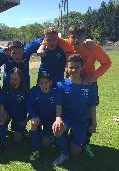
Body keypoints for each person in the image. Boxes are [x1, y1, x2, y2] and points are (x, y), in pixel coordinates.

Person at [38, 24, 112, 157]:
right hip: (71, 82)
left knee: (89, 111)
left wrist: (93, 76)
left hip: (89, 83)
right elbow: (48, 39)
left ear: (85, 37)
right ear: (69, 37)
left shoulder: (92, 46)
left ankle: (85, 142)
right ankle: (63, 136)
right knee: (66, 108)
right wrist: (42, 46)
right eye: (73, 37)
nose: (76, 40)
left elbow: (107, 62)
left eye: (80, 37)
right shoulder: (65, 43)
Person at [52, 54, 98, 165]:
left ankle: (73, 139)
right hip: (66, 118)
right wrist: (58, 119)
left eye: (77, 67)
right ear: (67, 68)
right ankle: (64, 153)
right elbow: (59, 104)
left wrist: (94, 122)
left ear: (82, 67)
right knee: (57, 129)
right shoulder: (61, 84)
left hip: (81, 120)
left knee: (76, 152)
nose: (73, 70)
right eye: (71, 67)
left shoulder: (90, 85)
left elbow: (92, 105)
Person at [0, 67, 29, 152]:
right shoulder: (6, 88)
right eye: (11, 79)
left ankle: (18, 130)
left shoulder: (25, 92)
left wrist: (25, 120)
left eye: (16, 79)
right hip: (8, 113)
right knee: (0, 119)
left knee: (17, 141)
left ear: (21, 79)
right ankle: (3, 143)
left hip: (20, 117)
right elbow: (1, 103)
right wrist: (2, 113)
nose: (13, 81)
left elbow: (30, 109)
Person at [27, 72, 57, 160]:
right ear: (38, 83)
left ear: (50, 82)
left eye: (46, 82)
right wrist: (34, 115)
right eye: (41, 83)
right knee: (33, 123)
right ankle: (36, 149)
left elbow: (60, 109)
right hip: (39, 117)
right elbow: (29, 104)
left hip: (51, 119)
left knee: (45, 144)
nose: (44, 85)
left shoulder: (55, 92)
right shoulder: (35, 90)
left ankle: (52, 137)